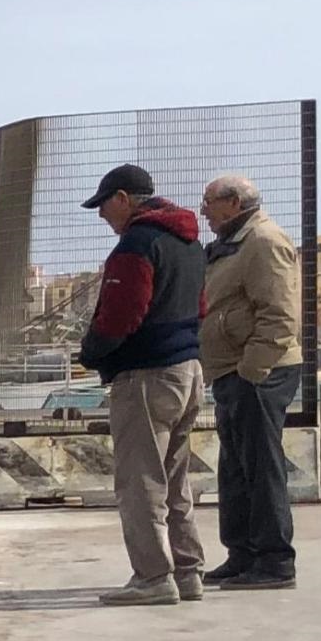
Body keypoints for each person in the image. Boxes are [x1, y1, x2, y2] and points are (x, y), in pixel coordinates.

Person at [76, 164, 207, 606]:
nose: (101, 217)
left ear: (123, 199)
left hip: (146, 376)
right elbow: (201, 306)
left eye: (103, 205)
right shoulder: (190, 243)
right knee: (174, 478)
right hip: (188, 370)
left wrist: (93, 352)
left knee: (140, 482)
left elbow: (121, 315)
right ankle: (187, 571)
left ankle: (153, 577)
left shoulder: (137, 244)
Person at [197, 173, 301, 590]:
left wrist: (252, 370)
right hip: (232, 370)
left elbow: (279, 314)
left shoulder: (263, 242)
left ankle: (275, 561)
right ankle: (242, 554)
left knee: (261, 467)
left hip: (259, 371)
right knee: (236, 469)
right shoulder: (231, 245)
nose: (203, 210)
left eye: (209, 202)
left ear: (234, 202)